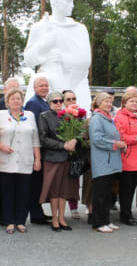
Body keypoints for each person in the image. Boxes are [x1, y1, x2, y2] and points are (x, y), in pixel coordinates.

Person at [24, 0, 91, 112]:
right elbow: (28, 60)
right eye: (68, 1)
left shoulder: (79, 29)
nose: (72, 5)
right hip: (49, 81)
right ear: (55, 3)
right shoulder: (40, 27)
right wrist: (44, 44)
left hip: (75, 81)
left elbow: (86, 60)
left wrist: (64, 58)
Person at [0, 88, 41, 234]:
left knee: (24, 192)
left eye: (19, 98)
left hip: (25, 160)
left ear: (22, 101)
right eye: (13, 99)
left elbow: (35, 139)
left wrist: (37, 159)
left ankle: (21, 221)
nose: (16, 101)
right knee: (7, 193)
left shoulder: (30, 115)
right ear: (7, 101)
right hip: (5, 161)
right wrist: (0, 146)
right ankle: (9, 221)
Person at [38, 92, 79, 232]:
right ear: (49, 103)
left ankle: (62, 217)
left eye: (60, 101)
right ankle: (54, 218)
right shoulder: (44, 116)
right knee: (54, 190)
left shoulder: (68, 116)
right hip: (53, 158)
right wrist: (63, 146)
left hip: (67, 158)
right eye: (54, 101)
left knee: (64, 190)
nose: (58, 103)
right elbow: (43, 139)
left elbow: (77, 132)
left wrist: (75, 140)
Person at [89, 92, 125, 233]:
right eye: (106, 101)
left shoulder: (108, 118)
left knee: (108, 194)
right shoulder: (96, 119)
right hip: (102, 162)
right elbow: (97, 139)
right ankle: (98, 223)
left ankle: (106, 220)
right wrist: (115, 144)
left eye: (110, 102)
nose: (109, 104)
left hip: (111, 162)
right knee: (100, 194)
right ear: (98, 103)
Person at [0, 77, 20, 226]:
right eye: (11, 88)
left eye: (17, 88)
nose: (14, 92)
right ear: (4, 90)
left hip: (15, 154)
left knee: (12, 187)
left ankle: (12, 216)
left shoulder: (20, 106)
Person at [114, 92, 137, 226]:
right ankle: (125, 215)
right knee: (126, 190)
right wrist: (134, 138)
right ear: (124, 103)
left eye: (136, 101)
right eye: (131, 101)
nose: (135, 103)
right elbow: (119, 136)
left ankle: (127, 213)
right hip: (127, 160)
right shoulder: (120, 117)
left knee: (131, 189)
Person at [25, 75, 52, 225]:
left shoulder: (45, 102)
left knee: (40, 183)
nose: (44, 88)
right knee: (35, 183)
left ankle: (39, 211)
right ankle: (35, 214)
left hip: (44, 149)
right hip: (38, 149)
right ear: (34, 88)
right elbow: (34, 128)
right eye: (41, 85)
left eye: (46, 85)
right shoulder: (33, 103)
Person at [63, 89, 81, 220]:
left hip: (76, 154)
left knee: (74, 181)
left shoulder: (81, 115)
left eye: (73, 99)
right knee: (62, 183)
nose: (71, 101)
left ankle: (74, 207)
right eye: (68, 99)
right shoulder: (60, 115)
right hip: (62, 153)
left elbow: (84, 132)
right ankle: (60, 209)